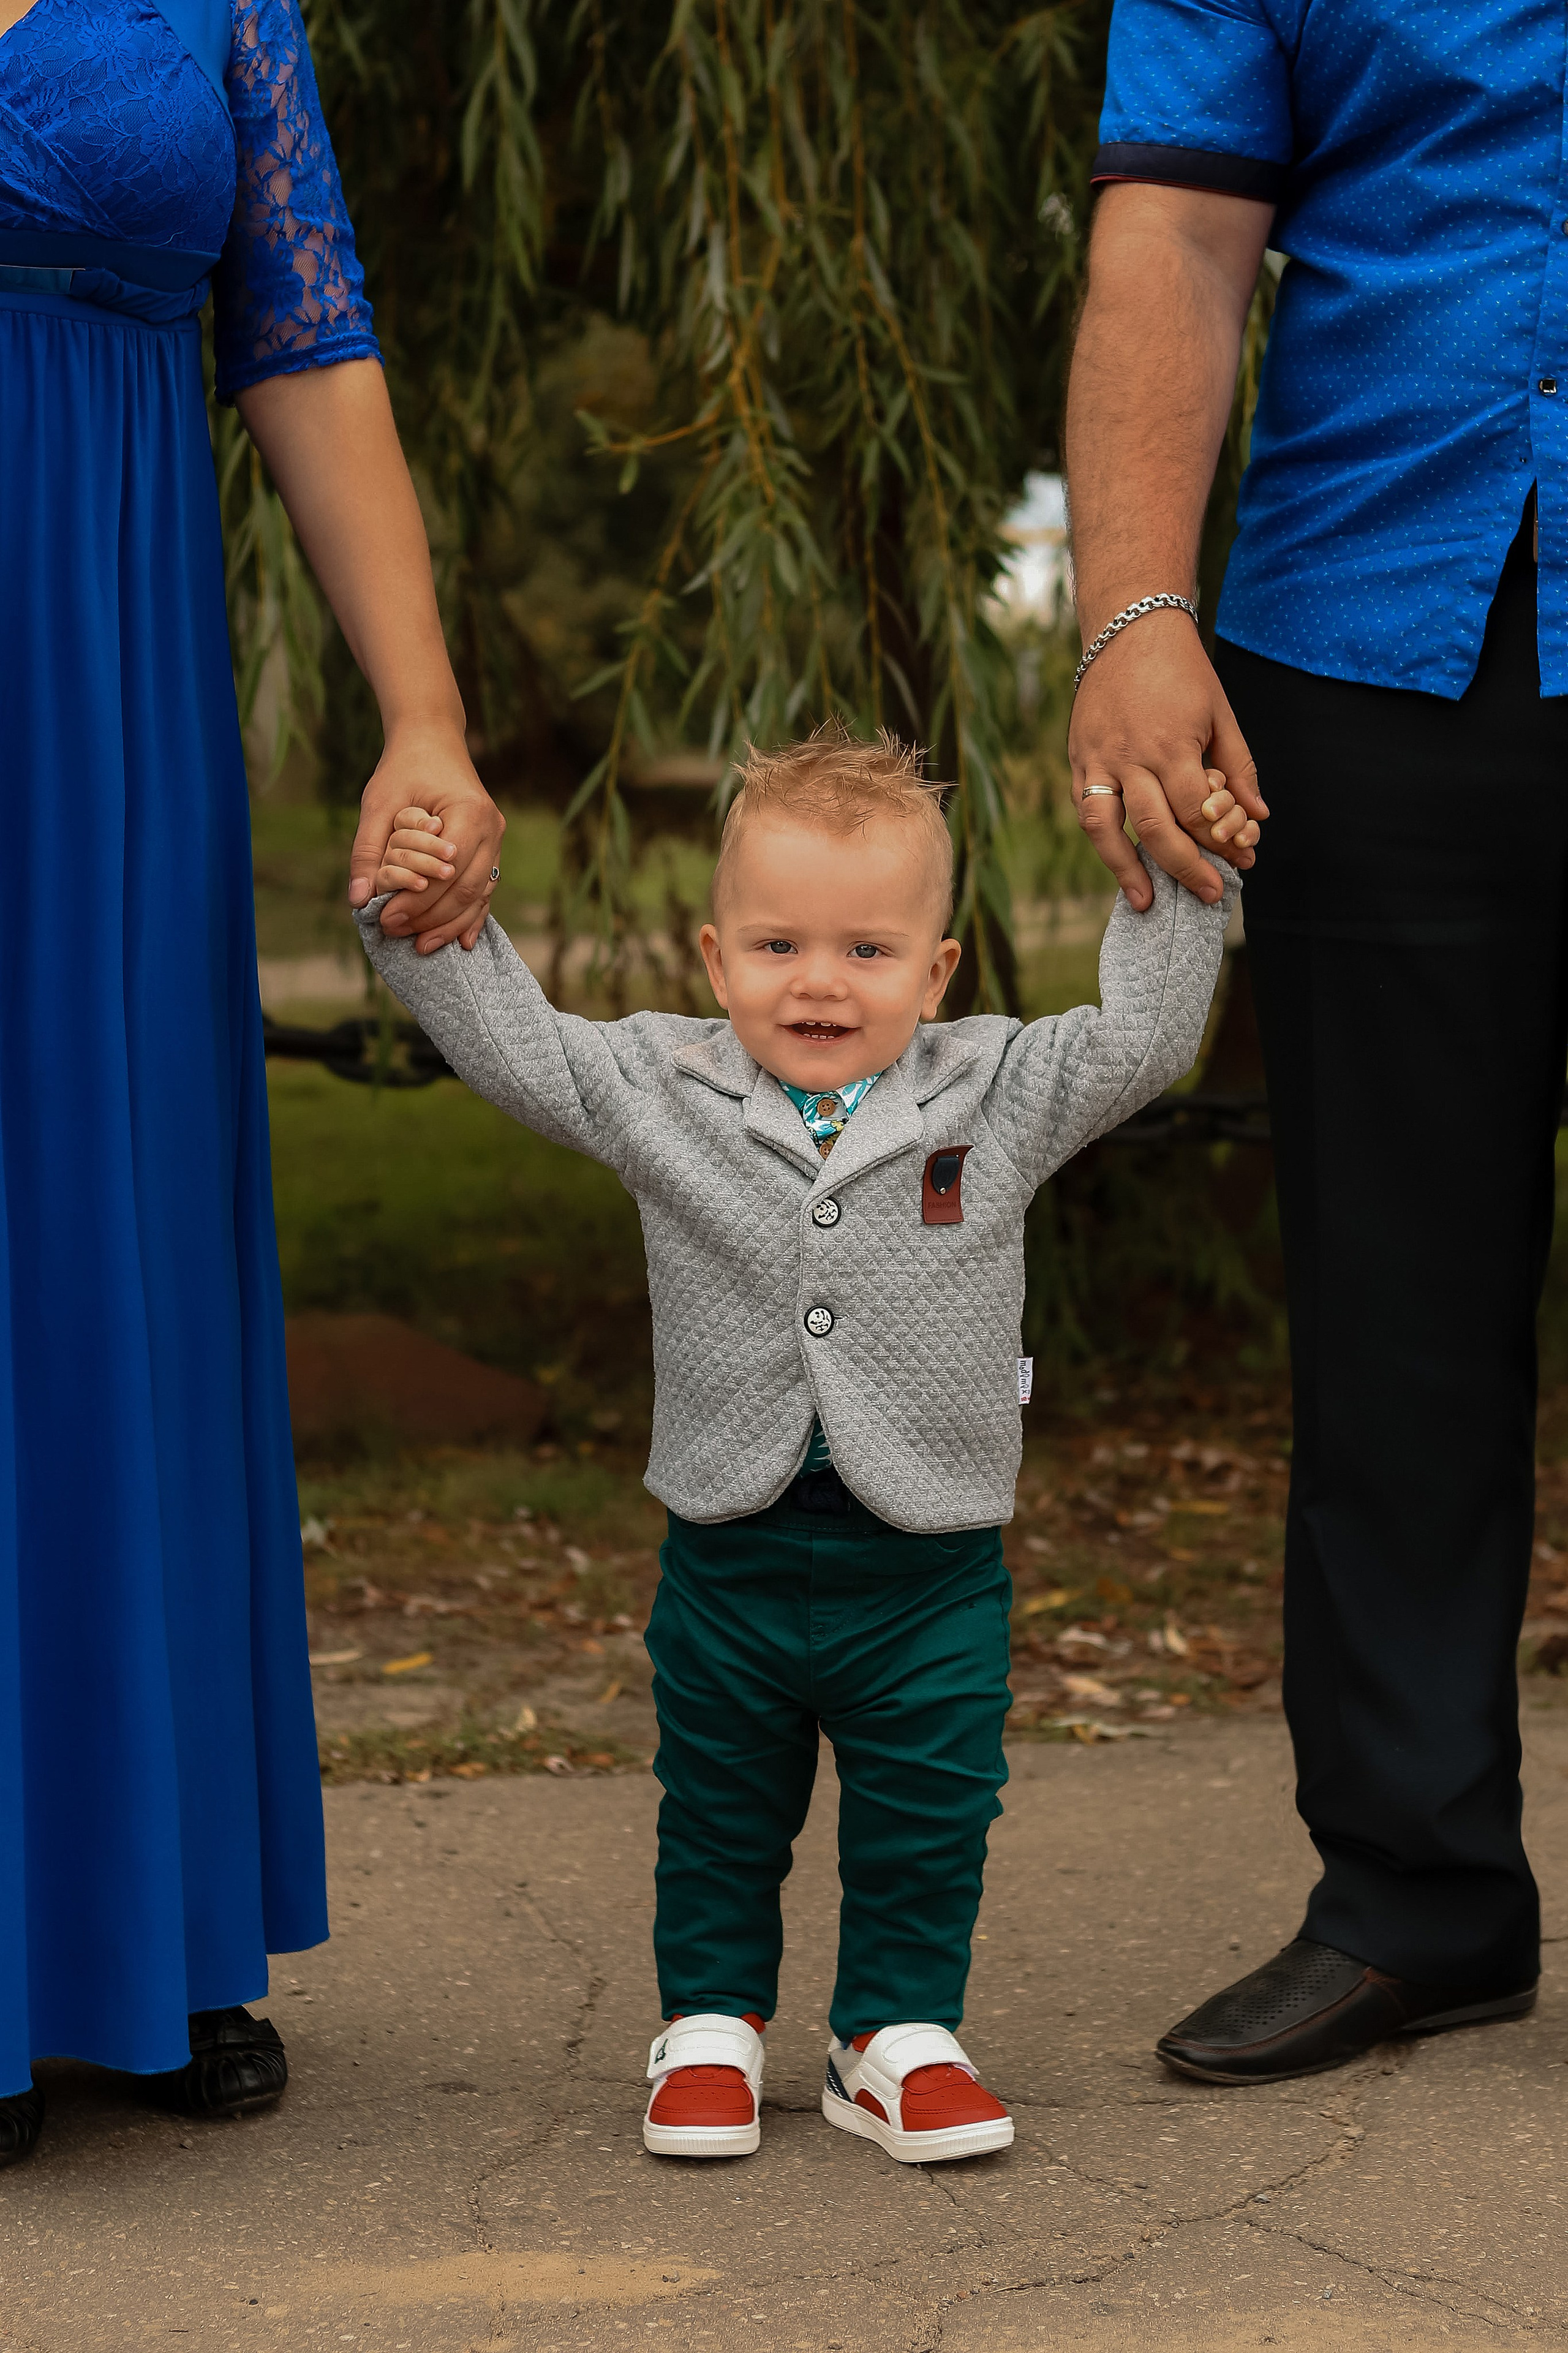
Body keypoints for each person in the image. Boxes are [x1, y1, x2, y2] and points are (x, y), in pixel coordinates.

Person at [355, 727, 1242, 2162]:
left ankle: (891, 2031)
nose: (817, 981)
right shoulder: (664, 1089)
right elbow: (519, 1051)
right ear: (714, 960)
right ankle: (707, 2022)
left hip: (930, 1563)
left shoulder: (993, 1092)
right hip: (731, 1545)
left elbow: (1143, 1041)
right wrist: (412, 910)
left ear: (938, 970)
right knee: (718, 1798)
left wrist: (1175, 869)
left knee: (929, 1801)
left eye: (865, 951)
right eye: (774, 944)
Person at [0, 0, 502, 2165]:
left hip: (103, 691)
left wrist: (426, 716)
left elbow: (304, 335)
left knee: (113, 1237)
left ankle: (150, 1917)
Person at [1063, 0, 1565, 2083]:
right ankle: (1416, 1897)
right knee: (1397, 1316)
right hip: (1374, 636)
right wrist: (1132, 614)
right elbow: (1176, 235)